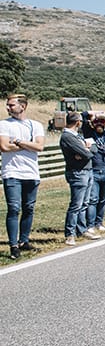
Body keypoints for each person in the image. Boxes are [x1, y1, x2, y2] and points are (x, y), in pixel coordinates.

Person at [1, 94, 45, 259]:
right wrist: (28, 145)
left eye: (11, 105)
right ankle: (13, 245)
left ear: (23, 106)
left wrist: (18, 142)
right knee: (14, 208)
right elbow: (4, 146)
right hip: (12, 172)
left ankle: (24, 240)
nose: (8, 108)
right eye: (8, 105)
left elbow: (40, 146)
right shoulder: (4, 125)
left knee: (29, 207)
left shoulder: (36, 125)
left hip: (31, 173)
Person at [59, 111, 98, 245]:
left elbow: (94, 149)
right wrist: (85, 150)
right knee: (76, 205)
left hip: (86, 171)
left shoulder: (78, 136)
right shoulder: (68, 137)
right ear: (78, 122)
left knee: (84, 203)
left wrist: (86, 150)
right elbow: (86, 154)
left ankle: (82, 229)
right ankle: (70, 234)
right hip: (77, 172)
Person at [82, 111, 105, 233]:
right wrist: (91, 114)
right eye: (96, 123)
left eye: (102, 123)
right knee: (93, 199)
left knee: (103, 200)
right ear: (93, 124)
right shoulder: (89, 134)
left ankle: (99, 223)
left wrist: (103, 115)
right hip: (94, 171)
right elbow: (82, 116)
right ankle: (90, 225)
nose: (99, 125)